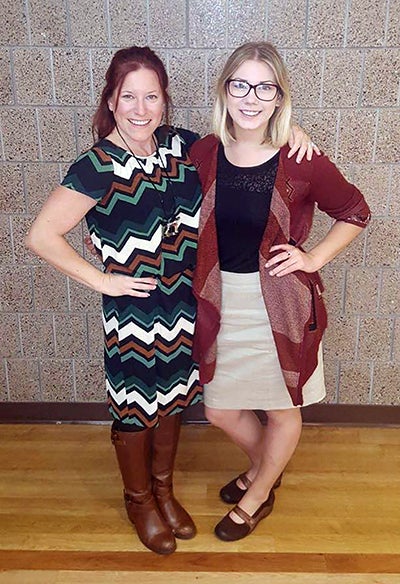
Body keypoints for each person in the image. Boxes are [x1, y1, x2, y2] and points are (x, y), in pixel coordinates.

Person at [26, 46, 316, 554]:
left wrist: (290, 134)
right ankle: (139, 500)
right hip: (135, 316)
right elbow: (42, 236)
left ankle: (164, 490)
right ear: (111, 102)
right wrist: (103, 281)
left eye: (151, 97)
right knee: (137, 408)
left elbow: (244, 139)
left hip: (185, 306)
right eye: (129, 97)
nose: (141, 109)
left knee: (175, 400)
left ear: (165, 102)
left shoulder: (181, 148)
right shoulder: (96, 165)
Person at [190, 41, 371, 542]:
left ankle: (257, 494)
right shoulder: (204, 151)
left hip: (280, 305)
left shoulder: (301, 159)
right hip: (220, 301)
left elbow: (356, 212)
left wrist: (312, 258)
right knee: (219, 409)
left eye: (264, 87)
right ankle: (267, 467)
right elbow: (145, 147)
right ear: (225, 90)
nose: (250, 97)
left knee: (280, 408)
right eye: (240, 84)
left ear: (279, 96)